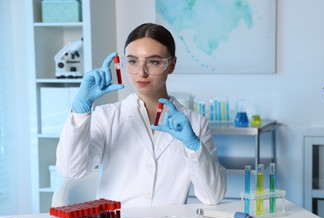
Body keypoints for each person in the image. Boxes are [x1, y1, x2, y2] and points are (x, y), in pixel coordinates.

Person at [56, 23, 227, 208]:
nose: (141, 72)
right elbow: (71, 170)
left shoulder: (195, 123)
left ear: (171, 65)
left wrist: (193, 147)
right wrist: (81, 110)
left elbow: (213, 197)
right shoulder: (106, 117)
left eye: (153, 62)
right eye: (132, 61)